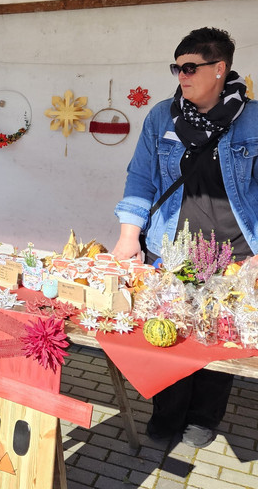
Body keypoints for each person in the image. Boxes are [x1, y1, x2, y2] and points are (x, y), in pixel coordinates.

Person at [113, 27, 258, 448]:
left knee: (217, 335)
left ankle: (203, 417)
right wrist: (128, 236)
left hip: (235, 252)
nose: (181, 75)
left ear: (220, 68)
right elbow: (141, 176)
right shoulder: (162, 115)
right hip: (170, 249)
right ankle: (167, 414)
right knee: (168, 332)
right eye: (177, 67)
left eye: (190, 67)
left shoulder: (253, 119)